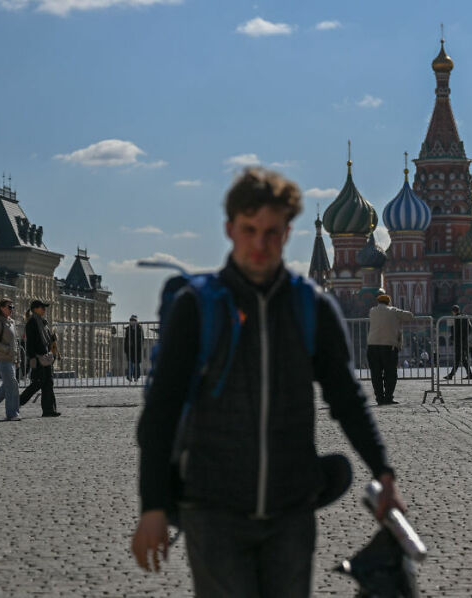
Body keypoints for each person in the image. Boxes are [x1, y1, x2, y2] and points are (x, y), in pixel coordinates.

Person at [131, 167, 404, 596]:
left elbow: (346, 397)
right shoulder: (196, 308)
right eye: (249, 229)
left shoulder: (312, 307)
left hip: (290, 510)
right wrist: (153, 507)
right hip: (212, 507)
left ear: (288, 232)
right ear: (230, 229)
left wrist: (383, 472)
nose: (260, 243)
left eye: (272, 232)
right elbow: (162, 410)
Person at [366, 293, 414, 405]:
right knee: (390, 373)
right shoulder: (394, 311)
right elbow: (410, 316)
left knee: (376, 374)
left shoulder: (372, 311)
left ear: (378, 302)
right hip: (388, 347)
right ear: (389, 302)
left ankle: (379, 398)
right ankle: (388, 397)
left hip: (372, 346)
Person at [19, 300, 60, 417]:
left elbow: (46, 340)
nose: (44, 310)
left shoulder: (43, 322)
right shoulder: (32, 322)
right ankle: (18, 402)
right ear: (35, 309)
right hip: (38, 357)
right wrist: (32, 358)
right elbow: (31, 343)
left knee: (48, 383)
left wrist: (52, 338)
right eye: (42, 307)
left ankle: (49, 410)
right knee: (37, 383)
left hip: (46, 357)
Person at [0, 299, 21, 421]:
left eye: (13, 307)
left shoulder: (12, 322)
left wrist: (18, 358)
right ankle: (12, 413)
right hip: (1, 358)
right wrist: (6, 349)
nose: (12, 309)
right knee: (12, 384)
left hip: (11, 359)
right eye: (9, 307)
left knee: (7, 387)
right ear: (1, 308)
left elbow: (15, 342)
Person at [444, 305, 472, 380]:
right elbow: (470, 329)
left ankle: (452, 375)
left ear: (453, 311)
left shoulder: (456, 318)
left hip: (458, 341)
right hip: (464, 341)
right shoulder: (465, 317)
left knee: (461, 358)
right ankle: (452, 375)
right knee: (460, 358)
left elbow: (455, 331)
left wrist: (453, 337)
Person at [124, 314, 145, 382]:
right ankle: (129, 376)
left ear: (136, 321)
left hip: (137, 348)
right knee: (130, 363)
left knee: (136, 363)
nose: (132, 322)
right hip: (130, 348)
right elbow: (126, 339)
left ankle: (136, 377)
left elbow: (142, 338)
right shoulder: (128, 329)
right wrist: (126, 348)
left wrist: (139, 345)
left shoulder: (139, 328)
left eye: (133, 320)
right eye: (131, 320)